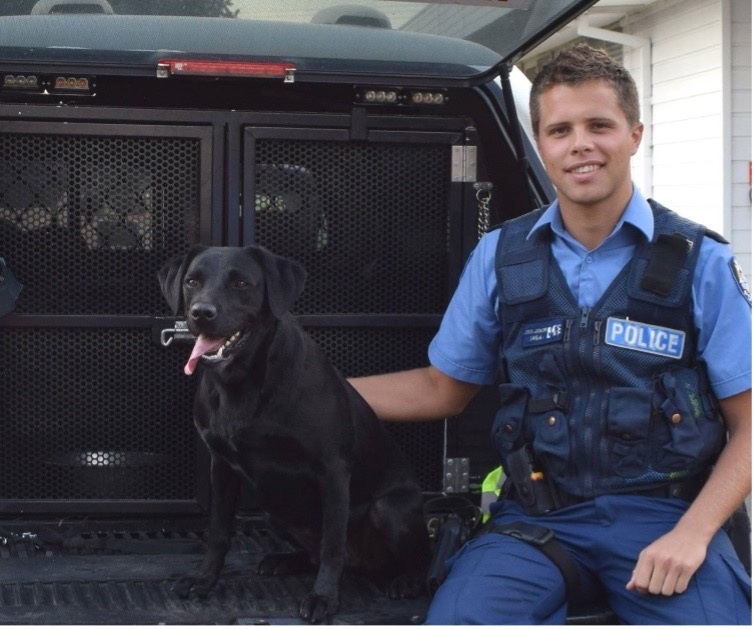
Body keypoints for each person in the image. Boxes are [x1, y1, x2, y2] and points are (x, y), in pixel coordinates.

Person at [349, 43, 752, 624]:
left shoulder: (698, 261)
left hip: (664, 519)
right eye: (560, 130)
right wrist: (309, 394)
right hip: (535, 523)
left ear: (635, 135)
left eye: (600, 125)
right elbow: (442, 388)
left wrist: (693, 534)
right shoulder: (501, 256)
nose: (581, 143)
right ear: (541, 146)